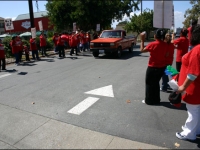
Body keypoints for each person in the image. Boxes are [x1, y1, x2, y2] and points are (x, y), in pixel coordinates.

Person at [176, 24, 200, 141]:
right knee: (197, 110)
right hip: (196, 86)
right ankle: (196, 129)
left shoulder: (197, 50)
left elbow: (192, 74)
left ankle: (189, 133)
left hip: (194, 88)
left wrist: (182, 87)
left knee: (193, 111)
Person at [140, 29, 168, 105]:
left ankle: (149, 100)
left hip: (152, 67)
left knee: (149, 84)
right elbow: (167, 55)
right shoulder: (165, 45)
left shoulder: (153, 44)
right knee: (156, 83)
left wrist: (142, 40)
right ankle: (156, 99)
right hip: (161, 67)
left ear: (155, 36)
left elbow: (142, 50)